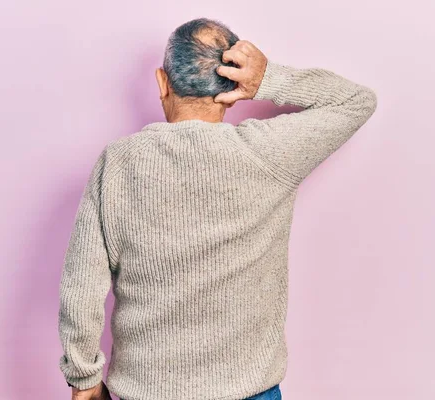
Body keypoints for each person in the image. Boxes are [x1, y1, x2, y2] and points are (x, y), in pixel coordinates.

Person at [57, 17, 377, 400]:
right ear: (231, 85)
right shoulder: (271, 152)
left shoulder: (118, 163)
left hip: (146, 392)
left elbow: (82, 286)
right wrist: (268, 79)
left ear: (162, 82)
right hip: (249, 391)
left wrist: (84, 377)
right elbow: (356, 100)